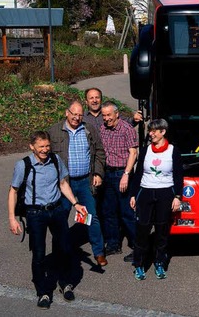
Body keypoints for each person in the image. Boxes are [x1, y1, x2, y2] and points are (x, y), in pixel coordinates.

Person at [8, 131, 88, 309]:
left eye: (47, 146)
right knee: (39, 255)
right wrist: (12, 218)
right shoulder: (24, 165)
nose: (45, 150)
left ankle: (65, 283)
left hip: (57, 210)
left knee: (64, 248)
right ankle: (43, 291)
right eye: (41, 147)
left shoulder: (55, 160)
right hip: (36, 214)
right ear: (32, 147)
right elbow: (13, 191)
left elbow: (63, 184)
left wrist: (76, 203)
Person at [48, 99, 108, 267]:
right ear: (67, 113)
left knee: (91, 217)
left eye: (80, 115)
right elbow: (44, 154)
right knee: (61, 218)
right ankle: (62, 252)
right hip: (64, 183)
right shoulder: (54, 131)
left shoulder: (89, 130)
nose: (76, 118)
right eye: (74, 114)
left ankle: (98, 252)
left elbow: (99, 153)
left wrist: (98, 172)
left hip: (84, 182)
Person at [129, 118, 184, 280]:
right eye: (149, 130)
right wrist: (133, 194)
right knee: (142, 230)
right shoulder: (146, 150)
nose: (150, 134)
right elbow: (138, 173)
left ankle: (159, 262)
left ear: (163, 132)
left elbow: (178, 175)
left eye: (154, 131)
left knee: (161, 231)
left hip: (165, 194)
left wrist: (177, 196)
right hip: (146, 192)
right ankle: (139, 264)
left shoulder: (173, 151)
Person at [100, 101, 138, 262]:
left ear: (117, 114)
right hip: (107, 174)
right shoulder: (102, 128)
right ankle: (113, 244)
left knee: (127, 213)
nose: (106, 118)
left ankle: (139, 246)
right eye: (104, 115)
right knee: (109, 212)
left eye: (109, 115)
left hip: (122, 174)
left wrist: (126, 174)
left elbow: (133, 153)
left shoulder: (126, 129)